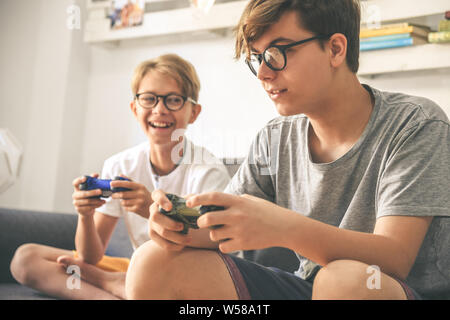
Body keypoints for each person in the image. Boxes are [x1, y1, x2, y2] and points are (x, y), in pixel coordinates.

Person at [124, 0, 450, 300]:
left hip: (388, 290)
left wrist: (283, 227)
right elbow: (217, 231)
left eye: (277, 53)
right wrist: (175, 227)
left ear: (335, 49)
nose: (264, 73)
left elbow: (394, 258)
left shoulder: (415, 124)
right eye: (257, 58)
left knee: (345, 281)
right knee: (153, 259)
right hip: (306, 288)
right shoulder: (275, 138)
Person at [10, 54, 230, 300]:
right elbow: (89, 258)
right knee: (26, 258)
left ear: (193, 113)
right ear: (135, 108)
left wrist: (151, 208)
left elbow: (213, 240)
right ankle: (112, 293)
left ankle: (118, 286)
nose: (160, 109)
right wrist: (85, 215)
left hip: (192, 274)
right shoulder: (120, 164)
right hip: (137, 268)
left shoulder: (207, 170)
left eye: (174, 100)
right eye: (149, 99)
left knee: (153, 271)